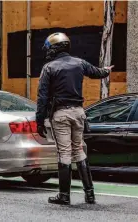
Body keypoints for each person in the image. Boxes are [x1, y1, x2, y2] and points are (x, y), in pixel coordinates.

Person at [36, 32, 114, 205]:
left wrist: (39, 120)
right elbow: (97, 73)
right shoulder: (79, 63)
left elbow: (42, 97)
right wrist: (107, 71)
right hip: (79, 112)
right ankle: (90, 194)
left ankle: (64, 195)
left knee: (64, 152)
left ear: (54, 48)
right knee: (78, 150)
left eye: (49, 48)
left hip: (61, 114)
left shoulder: (49, 68)